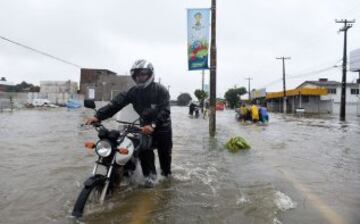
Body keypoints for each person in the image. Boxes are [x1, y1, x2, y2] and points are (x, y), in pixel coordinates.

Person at [85, 59, 172, 187]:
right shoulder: (133, 92)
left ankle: (166, 183)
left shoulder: (161, 90)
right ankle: (150, 180)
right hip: (144, 128)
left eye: (143, 74)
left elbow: (165, 111)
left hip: (162, 127)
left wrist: (153, 125)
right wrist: (98, 116)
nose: (140, 77)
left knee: (165, 163)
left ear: (150, 74)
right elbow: (115, 104)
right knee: (144, 151)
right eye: (137, 75)